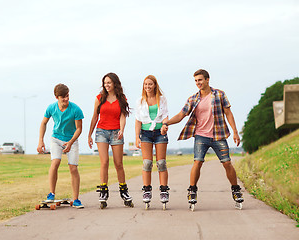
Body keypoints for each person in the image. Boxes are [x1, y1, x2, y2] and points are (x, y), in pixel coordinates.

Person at [161, 69, 244, 208]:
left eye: (200, 80)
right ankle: (192, 190)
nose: (198, 83)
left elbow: (228, 113)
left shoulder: (219, 94)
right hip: (201, 136)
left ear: (207, 79)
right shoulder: (193, 99)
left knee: (227, 163)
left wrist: (235, 132)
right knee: (197, 162)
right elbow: (181, 115)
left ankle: (235, 189)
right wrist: (166, 123)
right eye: (195, 81)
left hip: (218, 135)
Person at [88, 72, 133, 208]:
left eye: (109, 82)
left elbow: (123, 116)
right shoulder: (99, 98)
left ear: (115, 83)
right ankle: (103, 191)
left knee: (118, 163)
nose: (107, 85)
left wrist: (122, 129)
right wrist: (89, 134)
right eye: (105, 83)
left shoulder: (121, 98)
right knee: (105, 162)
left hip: (116, 132)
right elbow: (95, 117)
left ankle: (123, 191)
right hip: (101, 131)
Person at [37, 83, 84, 208]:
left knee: (73, 168)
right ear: (57, 97)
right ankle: (51, 193)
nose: (66, 99)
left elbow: (79, 129)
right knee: (55, 162)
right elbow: (44, 123)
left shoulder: (75, 109)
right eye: (63, 97)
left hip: (72, 140)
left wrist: (70, 142)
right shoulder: (51, 108)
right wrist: (40, 140)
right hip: (56, 139)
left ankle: (76, 199)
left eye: (67, 96)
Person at [135, 75, 170, 209]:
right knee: (147, 163)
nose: (148, 87)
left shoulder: (162, 99)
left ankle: (164, 190)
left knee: (161, 163)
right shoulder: (140, 101)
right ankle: (147, 190)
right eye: (145, 85)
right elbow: (138, 120)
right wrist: (137, 136)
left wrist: (165, 125)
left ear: (155, 85)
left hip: (160, 132)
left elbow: (166, 115)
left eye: (150, 84)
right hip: (145, 133)